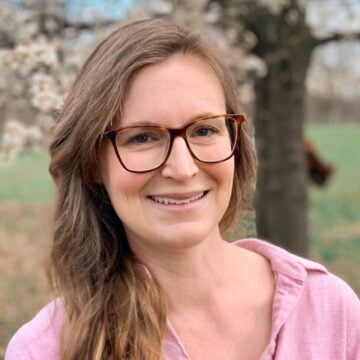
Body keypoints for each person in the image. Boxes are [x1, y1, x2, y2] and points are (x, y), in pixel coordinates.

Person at [5, 18, 360, 360]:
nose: (183, 168)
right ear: (93, 163)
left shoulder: (330, 310)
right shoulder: (48, 349)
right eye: (143, 137)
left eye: (204, 130)